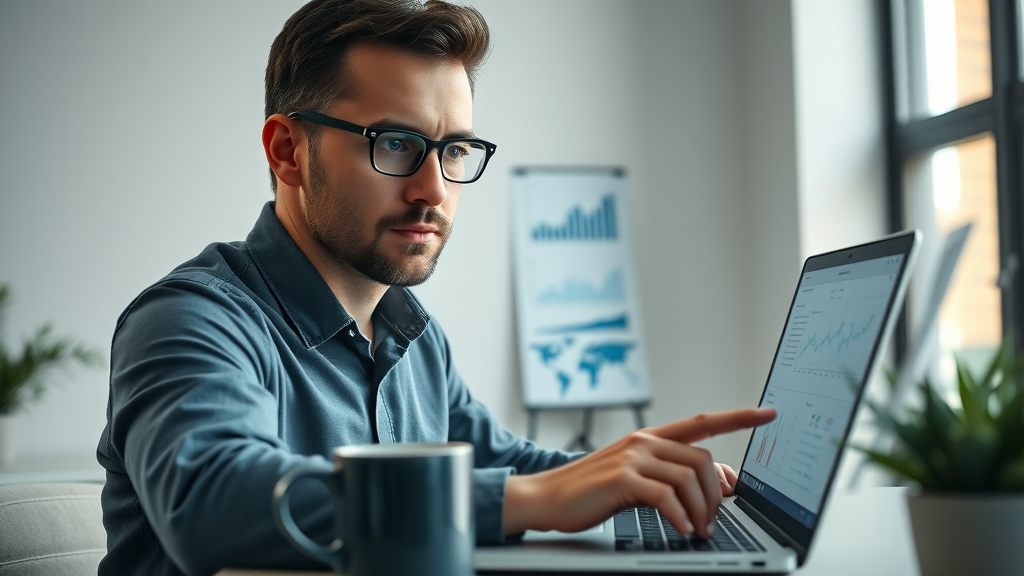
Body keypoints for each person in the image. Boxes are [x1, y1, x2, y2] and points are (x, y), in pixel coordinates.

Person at [96, 1, 776, 575]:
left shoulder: (410, 334)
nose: (434, 190)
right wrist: (533, 497)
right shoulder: (190, 319)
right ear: (286, 152)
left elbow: (510, 463)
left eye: (454, 150)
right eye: (395, 144)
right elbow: (210, 502)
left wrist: (631, 474)